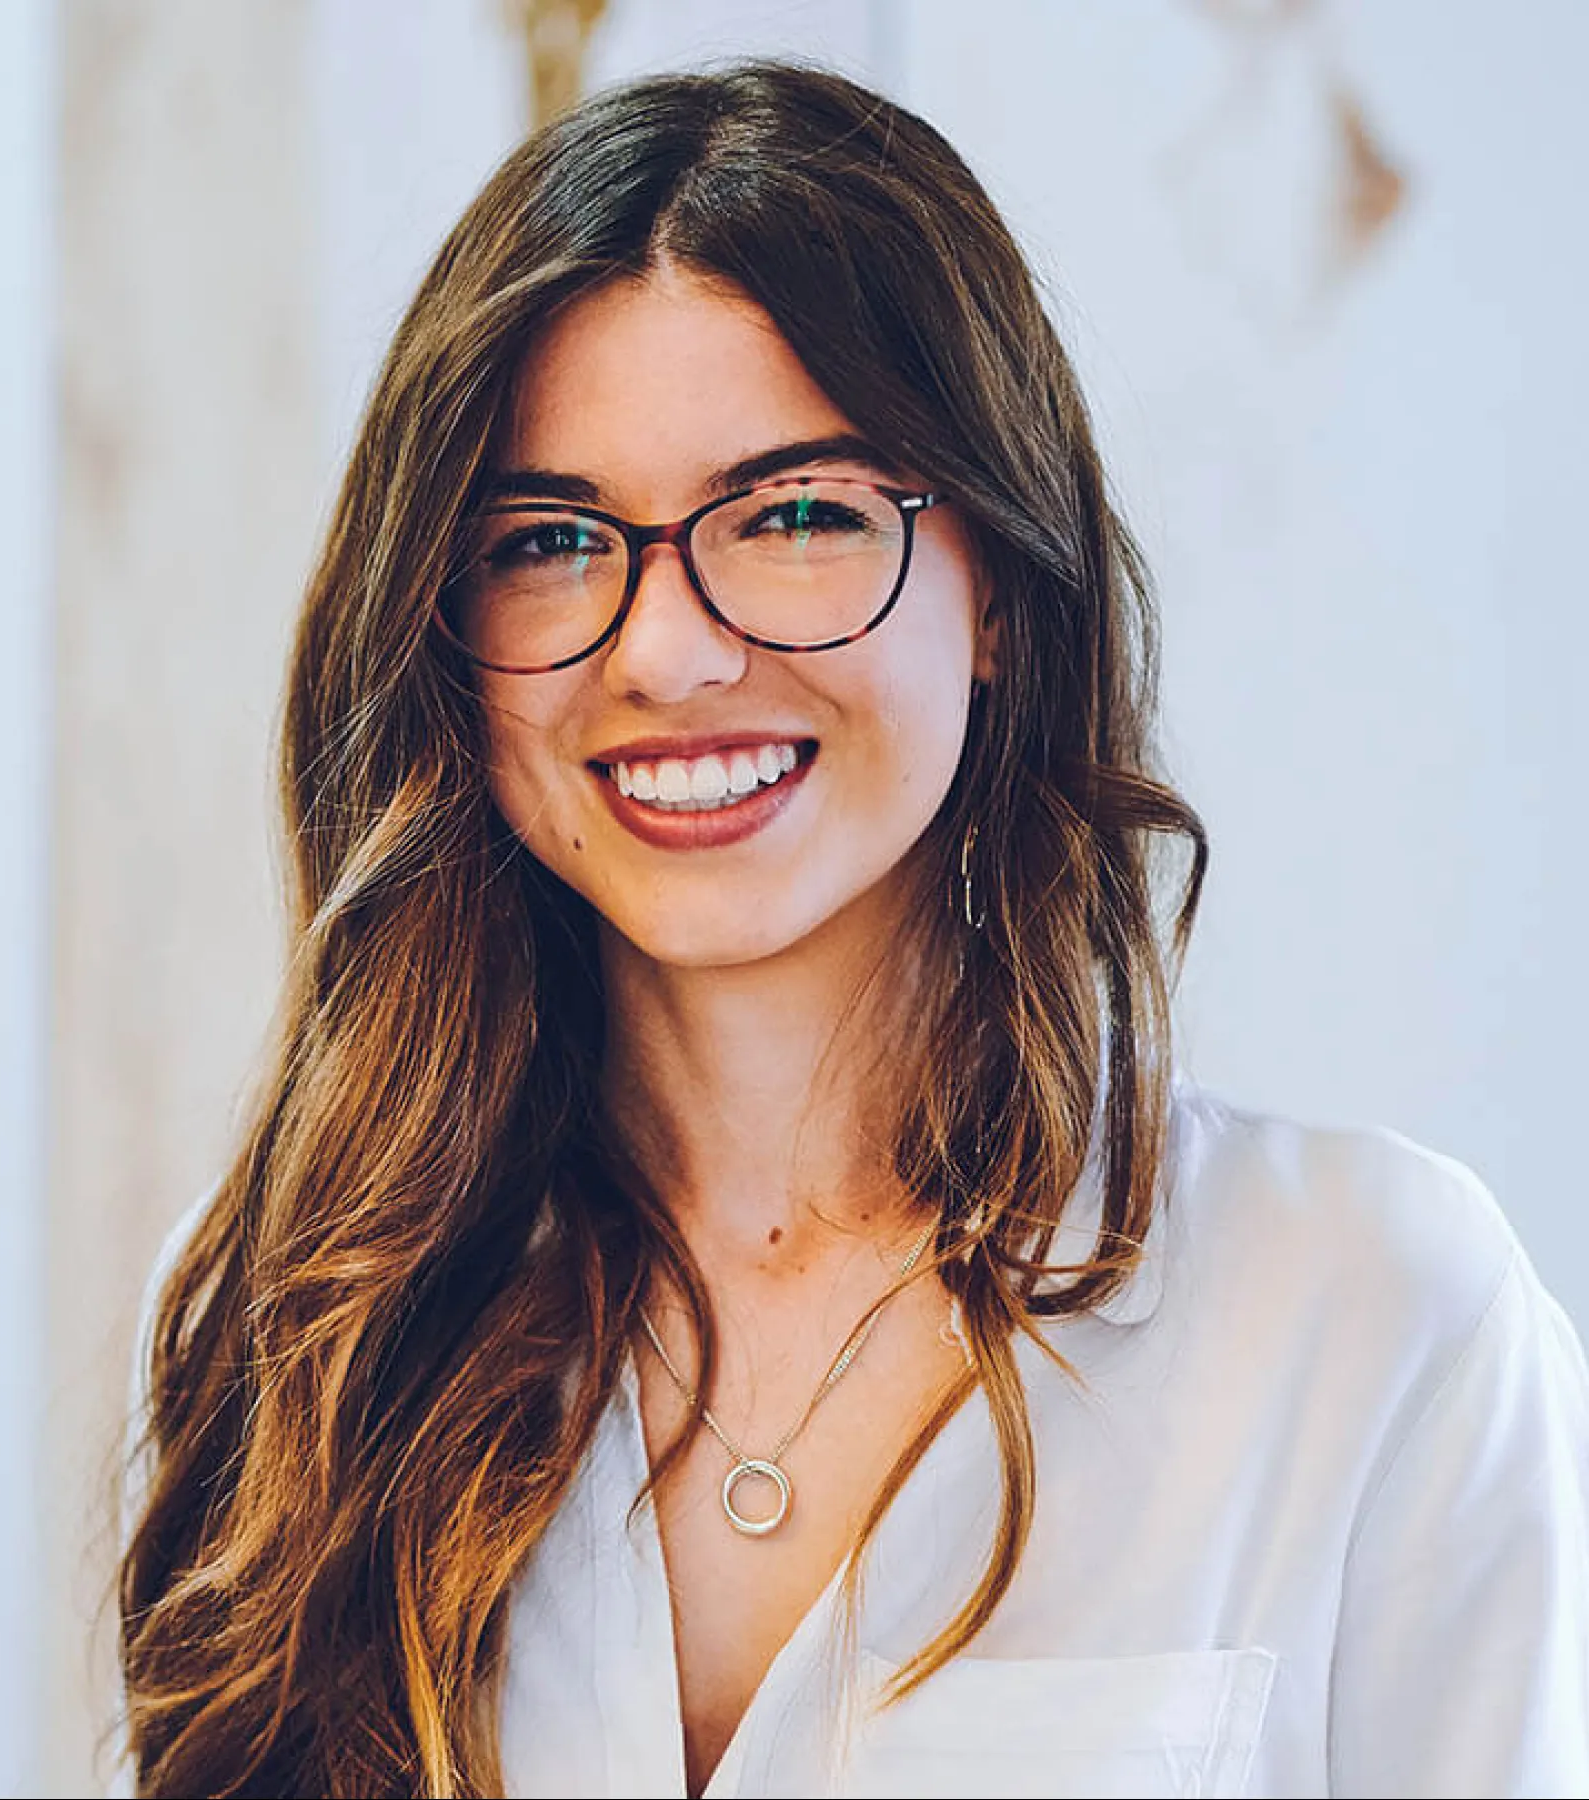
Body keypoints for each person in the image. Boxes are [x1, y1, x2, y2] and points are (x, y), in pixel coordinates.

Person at [116, 59, 1589, 1799]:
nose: (664, 652)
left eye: (798, 515)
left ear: (998, 589)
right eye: (551, 539)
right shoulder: (303, 1316)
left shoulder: (1374, 1315)